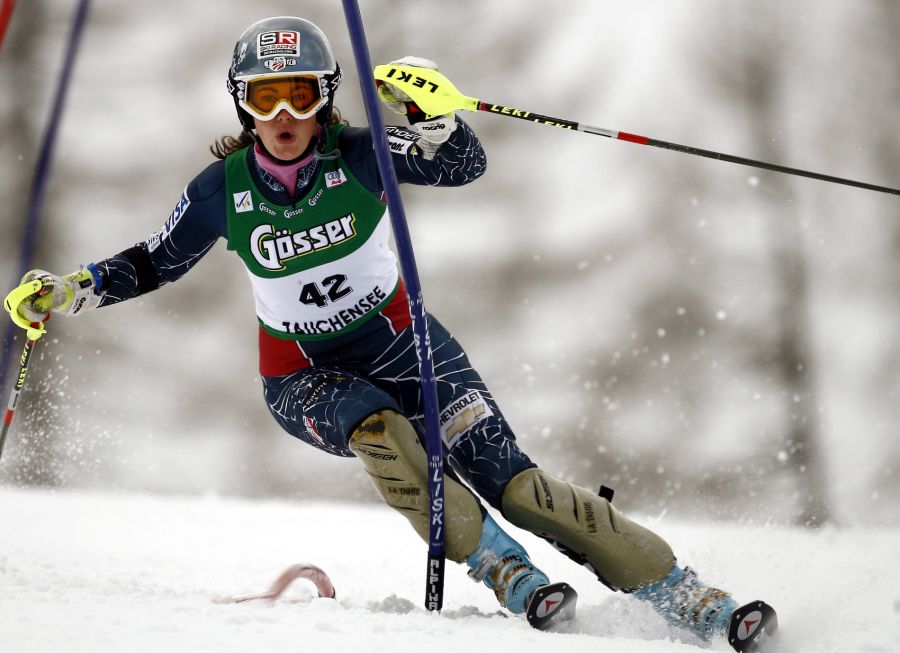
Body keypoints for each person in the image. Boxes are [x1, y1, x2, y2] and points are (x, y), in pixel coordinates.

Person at [5, 16, 775, 651]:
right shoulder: (222, 189)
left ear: (322, 100)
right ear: (242, 106)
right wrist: (71, 290)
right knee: (384, 432)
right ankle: (506, 571)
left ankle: (691, 596)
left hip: (409, 343)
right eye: (263, 98)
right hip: (305, 373)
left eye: (297, 96)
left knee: (520, 486)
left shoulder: (360, 153)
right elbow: (155, 261)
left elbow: (462, 165)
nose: (281, 118)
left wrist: (438, 116)